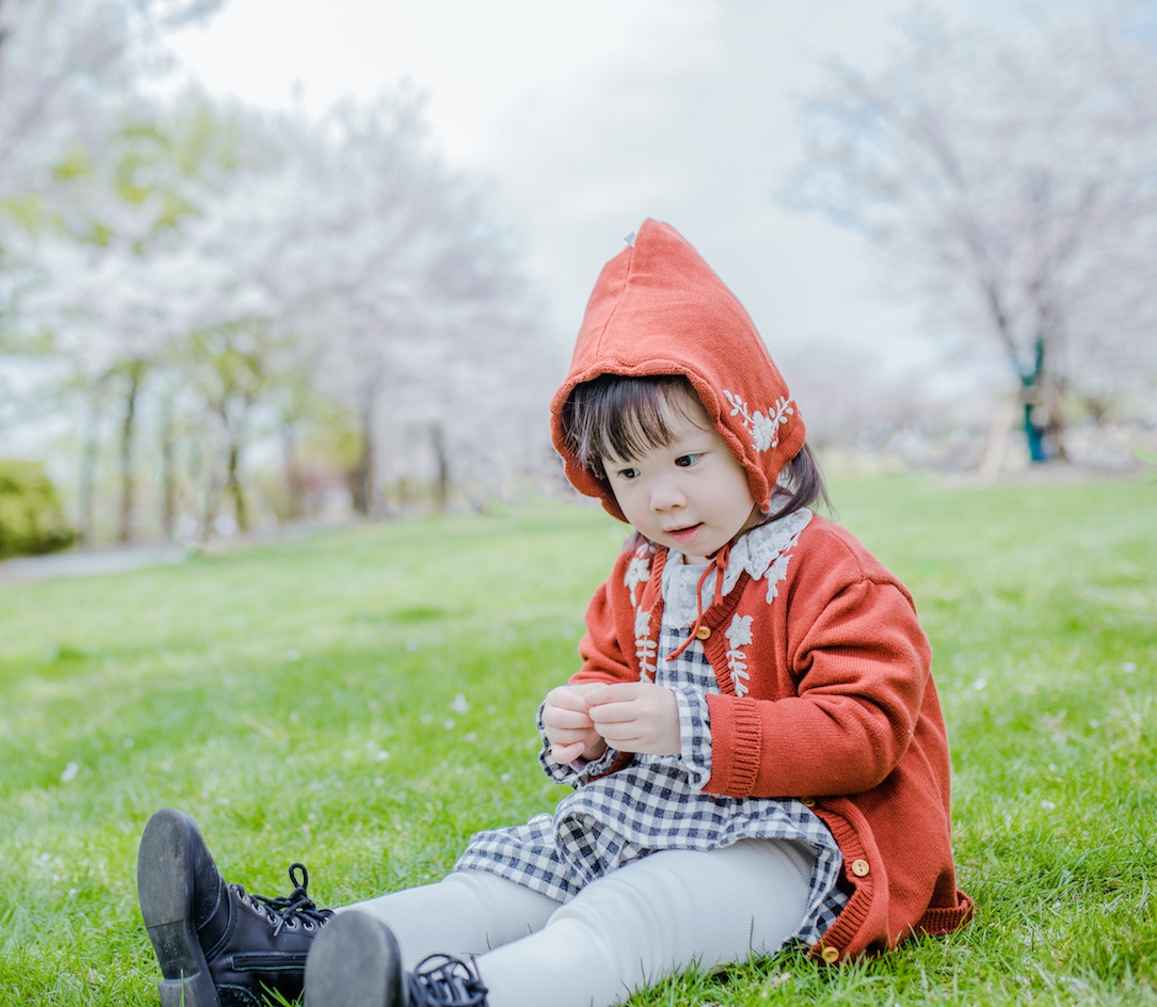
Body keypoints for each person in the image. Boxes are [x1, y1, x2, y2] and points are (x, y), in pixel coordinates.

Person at [135, 220, 972, 1007]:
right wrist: (586, 722)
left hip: (799, 843)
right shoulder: (642, 573)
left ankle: (460, 994)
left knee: (630, 911)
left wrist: (689, 725)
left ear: (749, 435)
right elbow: (605, 671)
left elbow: (865, 732)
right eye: (629, 473)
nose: (661, 496)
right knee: (502, 881)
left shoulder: (829, 571)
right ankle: (270, 951)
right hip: (651, 811)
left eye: (687, 458)